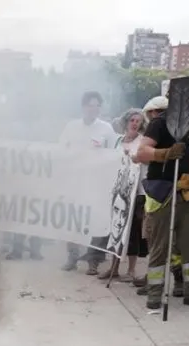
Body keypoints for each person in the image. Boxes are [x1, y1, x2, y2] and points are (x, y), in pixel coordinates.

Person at [133, 91, 189, 309]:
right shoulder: (158, 123)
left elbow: (187, 159)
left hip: (187, 192)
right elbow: (141, 153)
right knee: (160, 247)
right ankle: (155, 293)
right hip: (163, 193)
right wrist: (166, 153)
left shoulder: (185, 125)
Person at [59, 91, 118, 272]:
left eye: (97, 105)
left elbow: (114, 154)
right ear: (83, 107)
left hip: (97, 184)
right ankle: (72, 256)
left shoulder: (106, 129)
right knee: (73, 221)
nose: (94, 109)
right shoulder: (71, 127)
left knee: (96, 221)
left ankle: (94, 260)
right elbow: (60, 150)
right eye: (91, 105)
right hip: (75, 182)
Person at [92, 109, 147, 281]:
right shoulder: (117, 141)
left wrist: (132, 156)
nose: (135, 123)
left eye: (138, 120)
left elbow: (145, 160)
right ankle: (114, 267)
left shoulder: (143, 142)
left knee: (133, 233)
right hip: (118, 193)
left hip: (137, 192)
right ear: (126, 122)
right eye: (132, 120)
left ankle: (131, 270)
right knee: (117, 230)